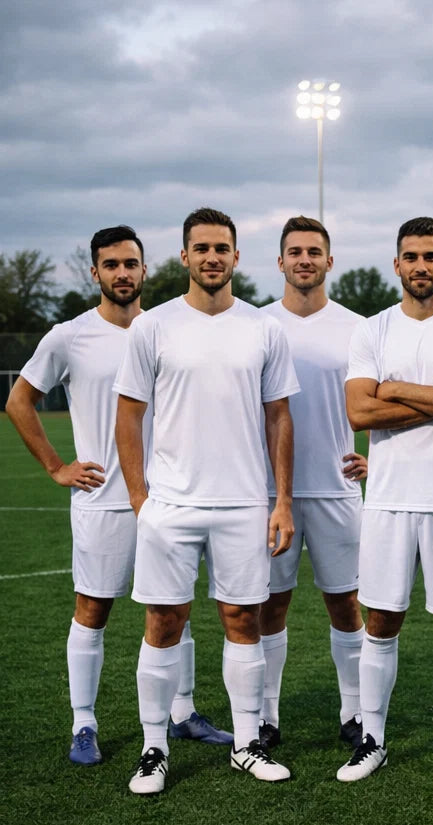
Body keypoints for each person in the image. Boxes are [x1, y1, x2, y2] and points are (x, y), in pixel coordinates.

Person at [5, 225, 231, 767]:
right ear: (96, 273)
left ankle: (183, 713)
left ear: (145, 269)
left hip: (173, 497)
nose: (123, 273)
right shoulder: (68, 336)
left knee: (177, 611)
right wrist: (57, 467)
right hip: (104, 500)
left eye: (131, 263)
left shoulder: (169, 328)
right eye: (111, 265)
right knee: (92, 608)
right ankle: (84, 723)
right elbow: (19, 401)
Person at [114, 207, 299, 794]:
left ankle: (247, 743)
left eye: (222, 247)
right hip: (171, 505)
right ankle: (153, 747)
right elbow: (129, 414)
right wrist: (142, 499)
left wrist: (282, 500)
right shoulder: (153, 326)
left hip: (245, 503)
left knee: (243, 618)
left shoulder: (265, 328)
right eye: (202, 248)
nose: (212, 257)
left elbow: (279, 417)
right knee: (163, 622)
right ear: (185, 256)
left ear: (237, 257)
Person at [339, 217, 433, 781]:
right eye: (411, 256)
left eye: (431, 256)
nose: (421, 266)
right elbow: (359, 411)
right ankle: (371, 737)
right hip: (390, 498)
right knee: (381, 619)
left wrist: (393, 386)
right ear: (395, 264)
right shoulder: (372, 330)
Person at [258, 216, 368, 751]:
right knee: (269, 605)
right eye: (294, 252)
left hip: (337, 488)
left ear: (329, 261)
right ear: (280, 262)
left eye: (314, 251)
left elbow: (381, 401)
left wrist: (380, 462)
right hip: (268, 494)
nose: (304, 259)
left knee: (345, 603)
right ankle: (265, 716)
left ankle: (355, 712)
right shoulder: (255, 325)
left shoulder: (357, 328)